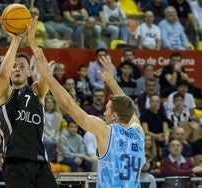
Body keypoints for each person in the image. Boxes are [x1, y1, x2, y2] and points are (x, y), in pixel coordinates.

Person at [30, 16, 145, 187]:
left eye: (107, 109)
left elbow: (69, 106)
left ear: (114, 115)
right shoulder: (138, 133)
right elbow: (129, 107)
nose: (104, 112)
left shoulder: (105, 131)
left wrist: (47, 76)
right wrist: (111, 82)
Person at [0, 18, 57, 187]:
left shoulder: (37, 92)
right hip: (15, 163)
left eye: (22, 66)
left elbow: (46, 75)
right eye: (13, 66)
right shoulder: (4, 93)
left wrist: (31, 42)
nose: (17, 69)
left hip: (40, 162)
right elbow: (2, 76)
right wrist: (16, 41)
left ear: (29, 72)